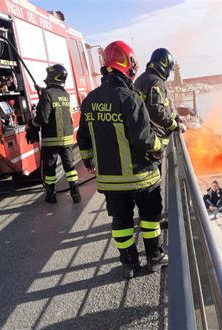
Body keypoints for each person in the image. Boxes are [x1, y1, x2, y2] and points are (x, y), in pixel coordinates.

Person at [77, 40, 168, 279]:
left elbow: (83, 138)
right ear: (128, 65)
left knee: (121, 222)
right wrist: (160, 148)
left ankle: (129, 264)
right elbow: (144, 139)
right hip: (141, 177)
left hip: (110, 181)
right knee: (149, 219)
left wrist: (88, 162)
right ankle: (155, 258)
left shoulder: (90, 100)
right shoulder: (130, 98)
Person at [25, 64, 81, 204]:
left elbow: (42, 118)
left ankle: (51, 195)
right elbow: (54, 97)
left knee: (49, 169)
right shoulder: (65, 94)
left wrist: (30, 125)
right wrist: (42, 90)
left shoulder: (47, 94)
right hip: (67, 139)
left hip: (51, 140)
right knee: (70, 167)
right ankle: (75, 193)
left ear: (51, 77)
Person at [134, 48, 186, 151]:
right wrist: (175, 126)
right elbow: (156, 109)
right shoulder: (156, 82)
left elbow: (162, 106)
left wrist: (175, 117)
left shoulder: (141, 79)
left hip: (143, 137)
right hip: (155, 141)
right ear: (165, 65)